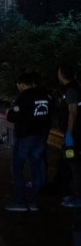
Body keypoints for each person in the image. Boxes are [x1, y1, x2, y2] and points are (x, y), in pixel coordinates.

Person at [5, 72, 52, 212]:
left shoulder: (24, 97)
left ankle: (20, 201)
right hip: (41, 137)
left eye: (19, 85)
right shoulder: (46, 95)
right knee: (36, 168)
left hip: (26, 137)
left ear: (22, 84)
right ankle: (34, 202)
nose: (18, 88)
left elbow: (15, 116)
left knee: (18, 168)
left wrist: (9, 112)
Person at [57, 65, 81, 208]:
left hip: (75, 135)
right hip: (75, 134)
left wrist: (69, 134)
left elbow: (72, 113)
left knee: (74, 164)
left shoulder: (71, 91)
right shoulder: (74, 89)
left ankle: (78, 198)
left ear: (61, 75)